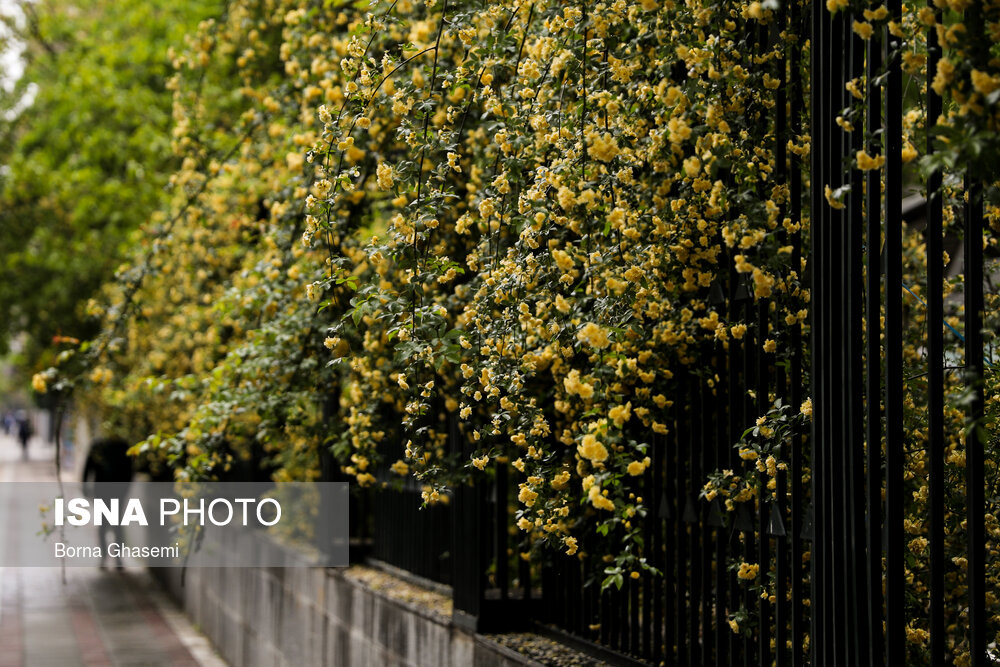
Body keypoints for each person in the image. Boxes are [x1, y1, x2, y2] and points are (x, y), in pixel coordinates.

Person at [83, 437, 134, 569]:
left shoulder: (118, 445)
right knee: (111, 524)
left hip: (110, 490)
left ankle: (113, 557)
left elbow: (129, 470)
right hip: (107, 490)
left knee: (111, 524)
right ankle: (109, 557)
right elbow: (88, 466)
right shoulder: (103, 445)